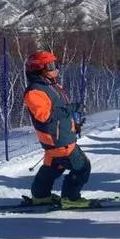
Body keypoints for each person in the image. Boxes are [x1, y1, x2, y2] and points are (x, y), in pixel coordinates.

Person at [23, 50, 92, 209]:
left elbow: (60, 112)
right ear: (39, 70)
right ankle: (71, 198)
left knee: (52, 169)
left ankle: (41, 196)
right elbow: (44, 116)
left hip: (60, 138)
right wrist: (69, 109)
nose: (56, 69)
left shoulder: (51, 86)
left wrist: (74, 124)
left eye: (56, 64)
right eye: (51, 66)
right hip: (59, 141)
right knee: (82, 168)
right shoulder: (35, 92)